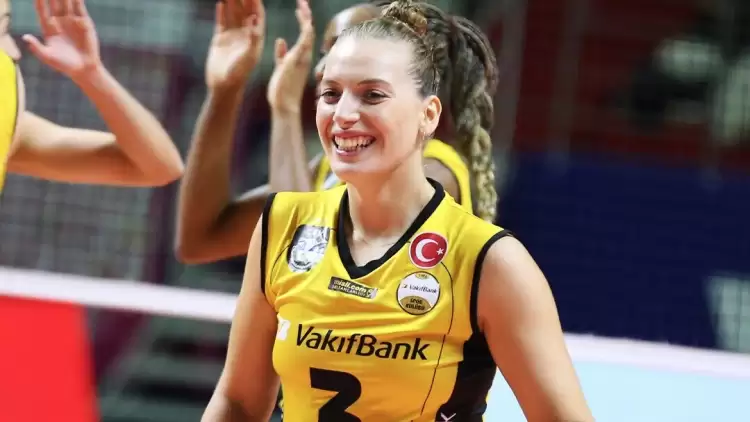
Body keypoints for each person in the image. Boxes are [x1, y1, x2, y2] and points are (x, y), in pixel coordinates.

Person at [202, 1, 593, 421]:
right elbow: (237, 403)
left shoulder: (492, 261)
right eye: (330, 94)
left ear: (428, 115)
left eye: (372, 95)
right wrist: (228, 93)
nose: (344, 114)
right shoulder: (282, 223)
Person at [175, 0, 497, 264]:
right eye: (325, 54)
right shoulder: (326, 171)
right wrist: (226, 89)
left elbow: (304, 265)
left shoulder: (435, 172)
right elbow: (201, 239)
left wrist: (285, 111)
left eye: (348, 52)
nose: (323, 69)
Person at [0, 0, 183, 190]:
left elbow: (158, 168)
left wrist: (91, 74)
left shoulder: (11, 130)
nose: (15, 51)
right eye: (3, 32)